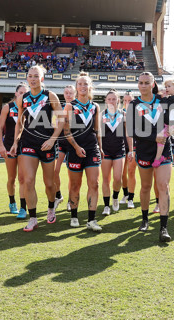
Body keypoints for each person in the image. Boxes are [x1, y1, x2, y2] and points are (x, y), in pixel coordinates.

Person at [10, 65, 65, 232]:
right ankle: (33, 218)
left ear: (42, 78)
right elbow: (20, 123)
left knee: (49, 184)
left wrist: (52, 139)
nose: (32, 79)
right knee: (27, 180)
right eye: (30, 76)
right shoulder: (22, 99)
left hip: (47, 144)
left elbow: (61, 120)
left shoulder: (51, 96)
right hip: (27, 144)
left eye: (36, 76)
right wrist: (15, 142)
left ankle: (51, 207)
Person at [125, 72, 173, 242]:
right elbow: (132, 131)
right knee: (145, 187)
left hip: (164, 150)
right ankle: (144, 219)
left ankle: (163, 227)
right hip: (144, 151)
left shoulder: (163, 100)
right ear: (138, 85)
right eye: (141, 82)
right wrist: (153, 137)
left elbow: (173, 121)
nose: (143, 85)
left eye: (147, 82)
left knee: (163, 185)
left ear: (153, 84)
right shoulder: (133, 105)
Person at [63, 73, 103, 230]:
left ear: (90, 86)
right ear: (76, 87)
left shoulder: (95, 107)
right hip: (75, 150)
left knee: (94, 184)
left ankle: (91, 220)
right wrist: (76, 147)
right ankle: (74, 216)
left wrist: (101, 147)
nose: (82, 86)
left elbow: (97, 130)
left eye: (85, 84)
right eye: (80, 84)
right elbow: (66, 131)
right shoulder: (70, 106)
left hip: (92, 149)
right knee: (75, 185)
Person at [0, 83, 29, 220]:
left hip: (24, 146)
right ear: (16, 93)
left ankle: (23, 207)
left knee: (23, 178)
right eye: (21, 92)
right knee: (12, 178)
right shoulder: (7, 107)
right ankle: (12, 202)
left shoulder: (29, 108)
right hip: (9, 146)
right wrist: (1, 145)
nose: (23, 95)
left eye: (25, 93)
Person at [100, 90, 126, 215]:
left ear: (118, 101)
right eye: (109, 99)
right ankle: (106, 206)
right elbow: (97, 134)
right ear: (106, 100)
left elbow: (128, 134)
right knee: (106, 179)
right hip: (105, 151)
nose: (111, 101)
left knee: (117, 178)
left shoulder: (123, 115)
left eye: (114, 99)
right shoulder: (101, 115)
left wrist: (131, 150)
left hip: (119, 150)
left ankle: (115, 197)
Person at [152, 78, 174, 168]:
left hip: (171, 125)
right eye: (165, 87)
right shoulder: (172, 98)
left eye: (169, 86)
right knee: (161, 139)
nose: (166, 88)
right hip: (168, 124)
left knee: (161, 138)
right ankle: (159, 156)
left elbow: (167, 106)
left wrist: (164, 97)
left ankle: (158, 157)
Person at [54, 85, 75, 211]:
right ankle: (59, 195)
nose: (68, 95)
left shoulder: (77, 108)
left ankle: (70, 200)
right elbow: (55, 125)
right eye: (66, 93)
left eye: (71, 93)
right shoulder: (59, 109)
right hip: (61, 143)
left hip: (73, 144)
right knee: (55, 171)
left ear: (74, 94)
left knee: (72, 175)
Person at [121, 91, 137, 209]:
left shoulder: (138, 114)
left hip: (134, 146)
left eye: (129, 100)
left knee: (131, 171)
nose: (127, 103)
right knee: (122, 173)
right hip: (121, 146)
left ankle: (131, 198)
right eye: (125, 100)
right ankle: (125, 194)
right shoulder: (119, 114)